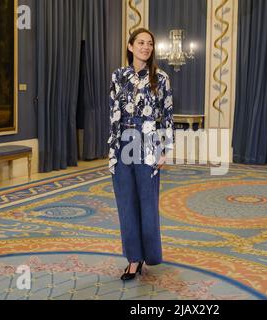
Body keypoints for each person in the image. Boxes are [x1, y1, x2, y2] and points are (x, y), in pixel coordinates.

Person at [108, 28, 174, 281]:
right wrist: (112, 151)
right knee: (126, 204)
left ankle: (151, 255)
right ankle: (133, 260)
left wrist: (164, 149)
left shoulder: (162, 78)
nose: (146, 47)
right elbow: (113, 115)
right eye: (141, 43)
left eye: (150, 43)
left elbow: (167, 115)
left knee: (148, 204)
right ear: (130, 46)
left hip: (148, 144)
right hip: (122, 144)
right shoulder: (118, 76)